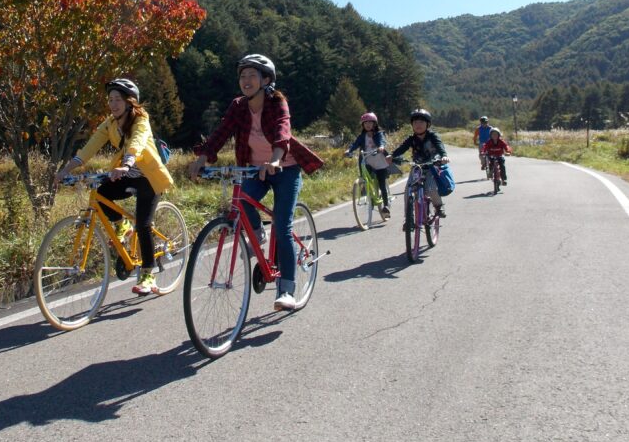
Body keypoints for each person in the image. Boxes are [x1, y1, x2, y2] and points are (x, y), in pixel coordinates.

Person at [188, 54, 324, 312]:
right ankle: (256, 233)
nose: (246, 80)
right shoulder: (238, 106)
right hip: (254, 168)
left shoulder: (277, 102)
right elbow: (221, 133)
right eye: (242, 76)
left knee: (282, 226)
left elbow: (283, 131)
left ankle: (287, 289)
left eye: (252, 75)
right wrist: (203, 157)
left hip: (285, 167)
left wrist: (275, 160)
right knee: (240, 201)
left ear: (266, 79)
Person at [55, 78, 173, 296]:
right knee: (102, 194)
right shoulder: (110, 123)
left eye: (118, 99)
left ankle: (148, 274)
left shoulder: (141, 120)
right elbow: (88, 149)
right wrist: (65, 170)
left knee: (144, 225)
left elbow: (137, 142)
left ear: (130, 102)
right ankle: (122, 226)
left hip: (148, 178)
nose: (113, 104)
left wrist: (127, 163)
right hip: (126, 175)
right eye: (110, 99)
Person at [390, 108, 450, 218]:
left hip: (432, 166)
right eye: (415, 122)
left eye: (422, 122)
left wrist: (444, 156)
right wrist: (392, 155)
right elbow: (402, 148)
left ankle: (438, 206)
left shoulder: (433, 136)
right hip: (417, 167)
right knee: (408, 191)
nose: (418, 125)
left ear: (428, 124)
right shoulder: (411, 139)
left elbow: (439, 146)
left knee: (431, 188)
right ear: (412, 125)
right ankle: (408, 219)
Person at [344, 111, 392, 219]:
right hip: (367, 162)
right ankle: (368, 194)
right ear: (363, 125)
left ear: (375, 124)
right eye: (365, 123)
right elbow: (355, 144)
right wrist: (349, 150)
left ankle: (386, 206)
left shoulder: (379, 134)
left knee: (382, 185)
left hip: (380, 163)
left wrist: (381, 147)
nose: (368, 125)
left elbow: (382, 141)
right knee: (365, 180)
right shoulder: (362, 136)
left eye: (370, 122)